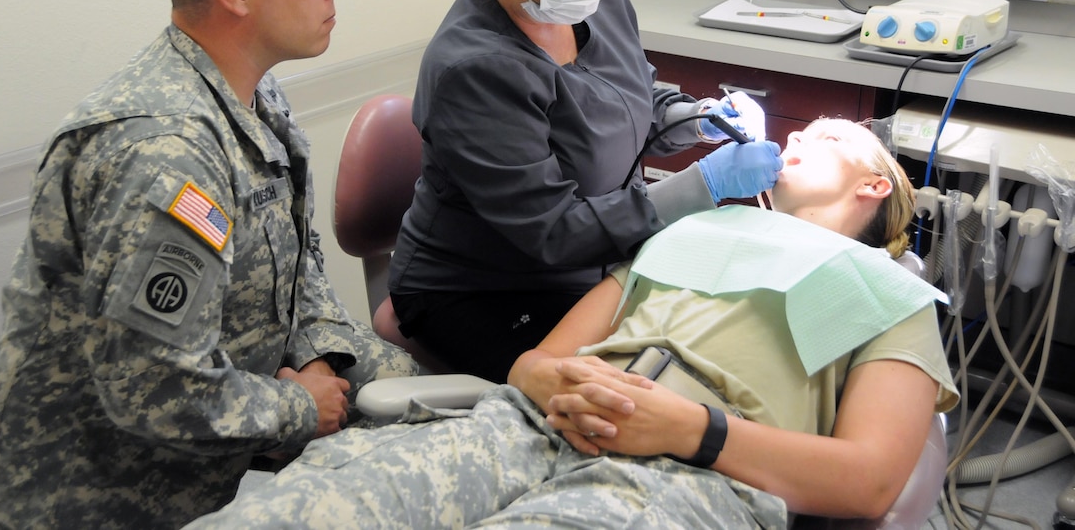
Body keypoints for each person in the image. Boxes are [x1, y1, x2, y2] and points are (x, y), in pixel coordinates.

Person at [188, 118, 959, 529]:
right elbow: (535, 363)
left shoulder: (887, 293)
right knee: (307, 509)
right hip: (532, 425)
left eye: (823, 138)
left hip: (685, 478)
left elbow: (869, 479)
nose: (792, 139)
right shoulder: (690, 233)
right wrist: (554, 382)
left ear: (870, 183)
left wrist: (688, 428)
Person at [0, 0, 416, 529]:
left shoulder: (252, 90)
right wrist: (298, 407)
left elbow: (301, 269)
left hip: (232, 418)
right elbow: (152, 388)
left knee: (437, 405)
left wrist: (322, 358)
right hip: (103, 493)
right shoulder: (165, 149)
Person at [387, 0, 782, 382]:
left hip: (597, 266)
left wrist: (698, 118)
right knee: (622, 398)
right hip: (484, 288)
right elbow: (555, 233)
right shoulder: (474, 71)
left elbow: (632, 98)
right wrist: (701, 187)